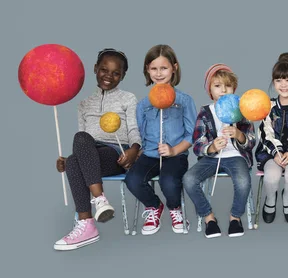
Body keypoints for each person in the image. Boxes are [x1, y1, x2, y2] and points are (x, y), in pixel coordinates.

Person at [54, 48, 141, 251]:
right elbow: (83, 145)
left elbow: (134, 130)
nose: (109, 76)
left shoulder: (128, 99)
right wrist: (66, 161)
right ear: (95, 69)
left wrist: (134, 150)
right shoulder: (84, 104)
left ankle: (89, 216)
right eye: (104, 70)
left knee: (77, 154)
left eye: (116, 73)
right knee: (76, 152)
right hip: (91, 155)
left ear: (123, 76)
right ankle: (92, 215)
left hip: (117, 154)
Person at [125, 44, 197, 236]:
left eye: (163, 68)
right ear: (147, 70)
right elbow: (138, 133)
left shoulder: (184, 101)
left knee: (169, 181)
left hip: (176, 155)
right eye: (153, 68)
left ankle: (175, 209)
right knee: (132, 179)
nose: (158, 73)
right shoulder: (143, 105)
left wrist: (174, 150)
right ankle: (154, 206)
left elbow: (192, 134)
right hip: (149, 155)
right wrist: (136, 154)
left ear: (174, 68)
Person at [183, 63, 256, 238]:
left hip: (235, 156)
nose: (223, 90)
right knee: (189, 179)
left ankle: (235, 218)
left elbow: (252, 141)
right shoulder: (205, 112)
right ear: (210, 90)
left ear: (234, 88)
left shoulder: (242, 110)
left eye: (228, 86)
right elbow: (197, 143)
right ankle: (209, 218)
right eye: (217, 86)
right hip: (212, 159)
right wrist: (212, 146)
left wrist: (239, 135)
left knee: (243, 181)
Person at [255, 53, 288, 224]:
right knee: (271, 176)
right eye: (278, 80)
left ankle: (287, 199)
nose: (283, 85)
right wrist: (276, 152)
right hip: (271, 153)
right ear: (273, 82)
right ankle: (270, 199)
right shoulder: (268, 106)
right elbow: (265, 132)